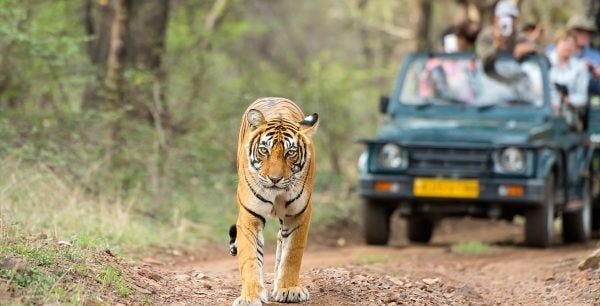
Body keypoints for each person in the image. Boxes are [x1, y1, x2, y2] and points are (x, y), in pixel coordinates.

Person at [547, 30, 590, 128]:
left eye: (571, 44)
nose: (568, 46)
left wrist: (568, 100)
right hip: (545, 111)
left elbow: (582, 97)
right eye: (565, 42)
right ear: (557, 43)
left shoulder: (579, 67)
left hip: (568, 115)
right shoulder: (545, 62)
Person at [566, 15, 600, 95]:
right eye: (580, 32)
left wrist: (595, 73)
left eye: (587, 33)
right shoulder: (557, 51)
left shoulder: (595, 57)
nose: (584, 36)